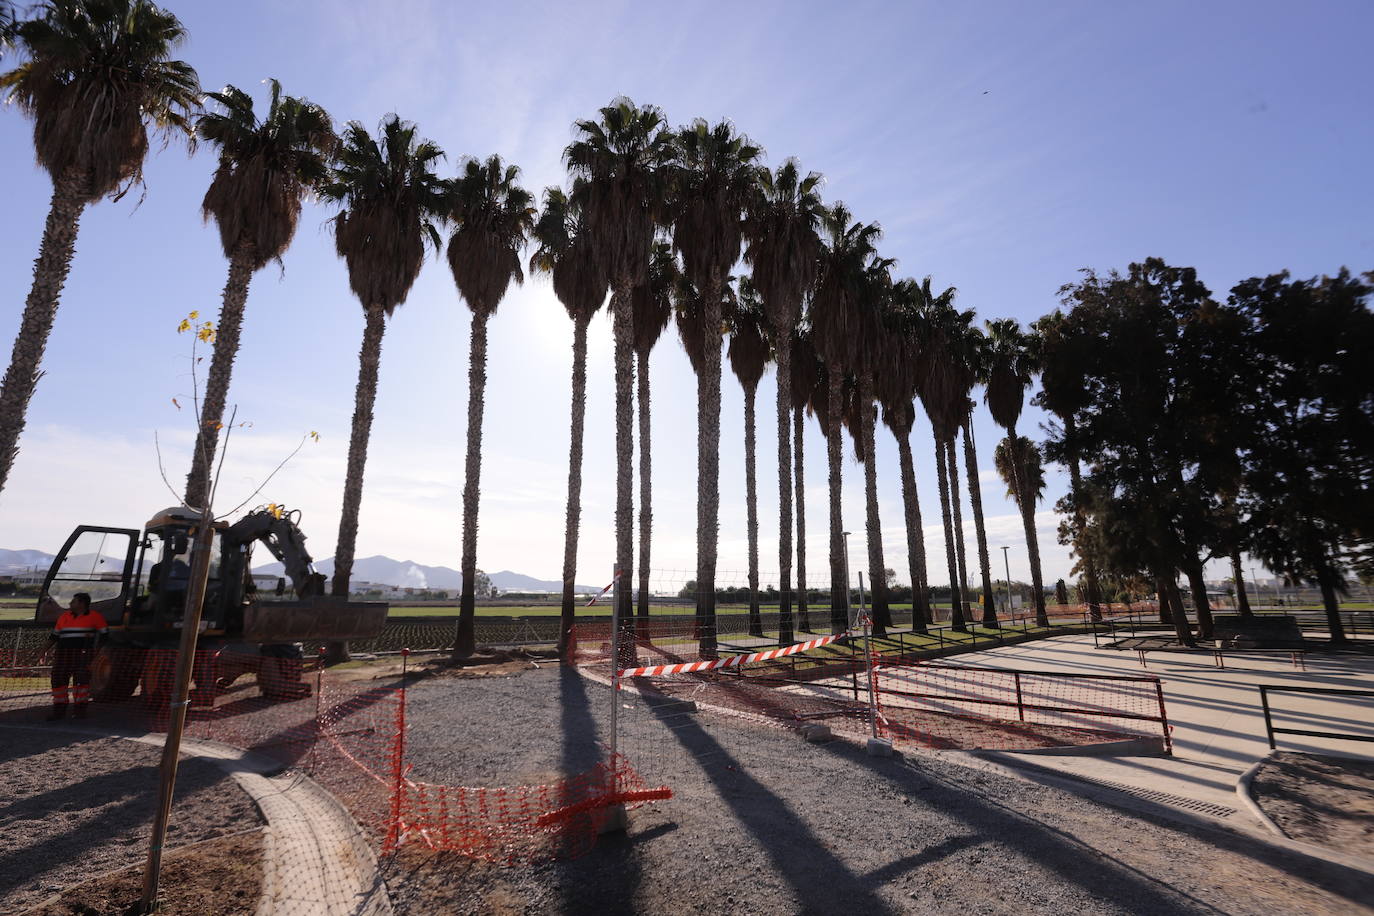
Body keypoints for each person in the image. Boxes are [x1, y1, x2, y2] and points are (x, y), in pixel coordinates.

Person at [45, 592, 108, 720]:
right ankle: (59, 711)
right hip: (63, 654)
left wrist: (96, 652)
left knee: (81, 682)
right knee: (58, 680)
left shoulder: (95, 617)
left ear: (82, 604)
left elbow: (104, 635)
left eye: (73, 602)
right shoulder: (64, 617)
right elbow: (54, 636)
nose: (70, 604)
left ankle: (80, 711)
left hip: (83, 654)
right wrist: (43, 651)